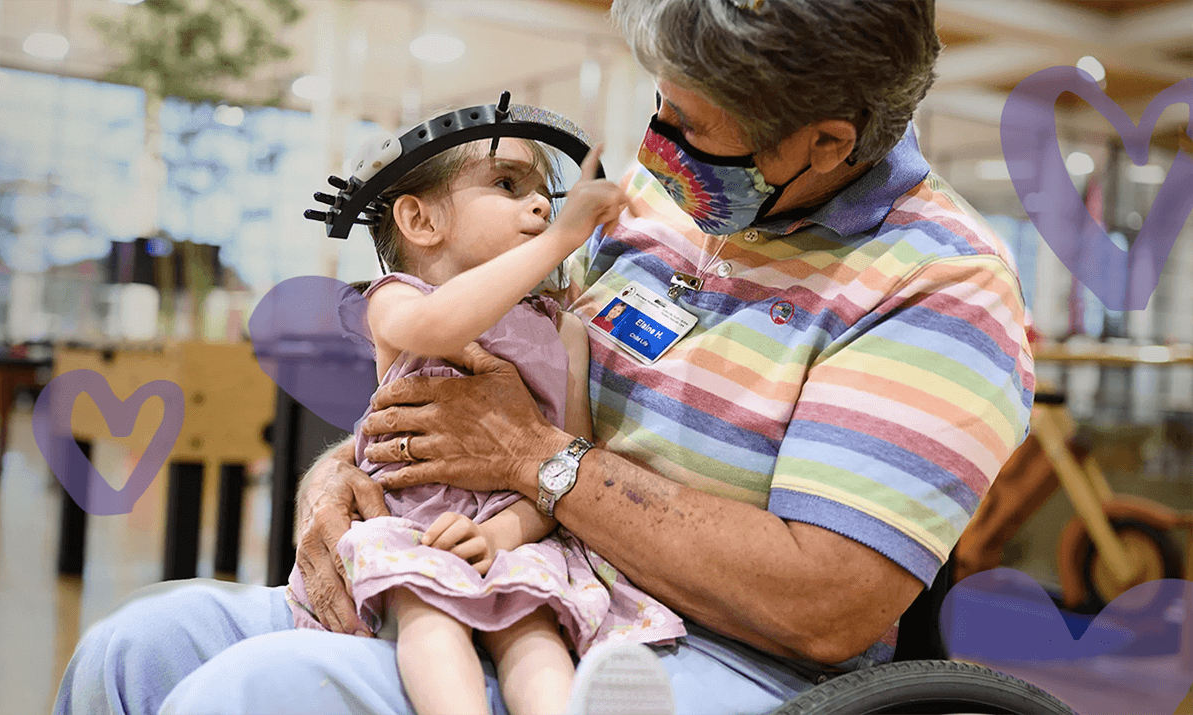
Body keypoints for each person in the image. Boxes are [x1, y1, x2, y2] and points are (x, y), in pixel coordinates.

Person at [53, 1, 1034, 713]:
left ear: (822, 144)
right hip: (500, 562)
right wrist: (345, 471)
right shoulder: (652, 210)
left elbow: (825, 603)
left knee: (255, 695)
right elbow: (480, 363)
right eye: (660, 106)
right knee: (133, 647)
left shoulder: (941, 284)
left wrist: (539, 464)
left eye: (689, 128)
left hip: (705, 655)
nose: (654, 150)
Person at [284, 131, 682, 715]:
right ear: (420, 221)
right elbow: (443, 325)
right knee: (430, 614)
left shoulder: (563, 329)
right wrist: (566, 238)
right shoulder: (398, 301)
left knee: (533, 627)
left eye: (546, 194)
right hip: (414, 526)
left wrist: (502, 535)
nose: (543, 206)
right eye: (506, 184)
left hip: (512, 528)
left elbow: (567, 461)